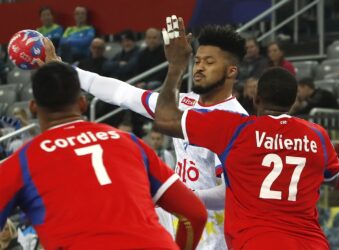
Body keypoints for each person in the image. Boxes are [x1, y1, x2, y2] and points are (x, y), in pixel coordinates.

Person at [40, 22, 248, 250]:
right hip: (179, 221)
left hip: (213, 234)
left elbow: (232, 193)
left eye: (209, 63)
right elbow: (123, 94)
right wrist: (65, 70)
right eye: (197, 61)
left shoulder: (236, 120)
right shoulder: (183, 103)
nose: (199, 68)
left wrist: (183, 197)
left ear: (231, 71)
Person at [154, 16, 339, 250]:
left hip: (256, 241)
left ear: (255, 99)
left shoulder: (236, 129)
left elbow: (164, 117)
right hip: (312, 243)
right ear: (294, 102)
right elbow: (333, 177)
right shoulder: (318, 135)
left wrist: (176, 67)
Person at [0, 60, 207, 250]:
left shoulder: (21, 162)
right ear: (82, 103)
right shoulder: (129, 142)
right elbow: (195, 214)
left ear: (33, 107)